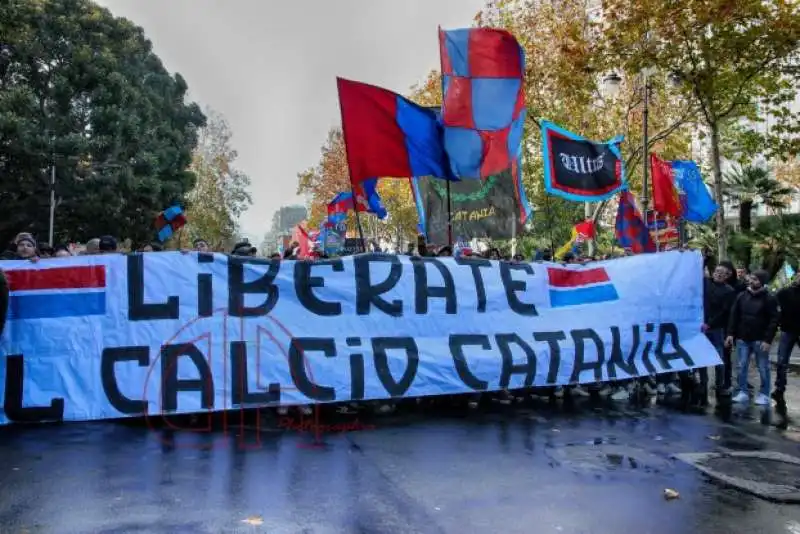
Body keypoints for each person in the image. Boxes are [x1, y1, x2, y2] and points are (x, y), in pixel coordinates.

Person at [726, 270, 779, 405]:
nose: (752, 281)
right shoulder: (742, 296)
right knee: (741, 365)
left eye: (755, 279)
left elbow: (774, 320)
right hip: (743, 337)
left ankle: (764, 394)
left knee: (763, 367)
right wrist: (730, 334)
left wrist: (768, 340)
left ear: (762, 281)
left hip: (760, 339)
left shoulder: (769, 298)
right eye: (752, 279)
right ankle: (742, 391)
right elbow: (734, 315)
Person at [702, 264, 736, 402]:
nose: (718, 274)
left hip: (716, 328)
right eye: (717, 271)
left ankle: (720, 385)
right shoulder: (706, 283)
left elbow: (725, 312)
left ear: (727, 276)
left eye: (723, 273)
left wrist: (709, 324)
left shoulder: (729, 291)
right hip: (701, 327)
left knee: (719, 357)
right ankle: (703, 382)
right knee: (701, 356)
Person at [773, 273, 800, 403]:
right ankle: (779, 388)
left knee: (782, 360)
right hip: (787, 330)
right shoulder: (784, 293)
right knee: (782, 361)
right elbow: (773, 305)